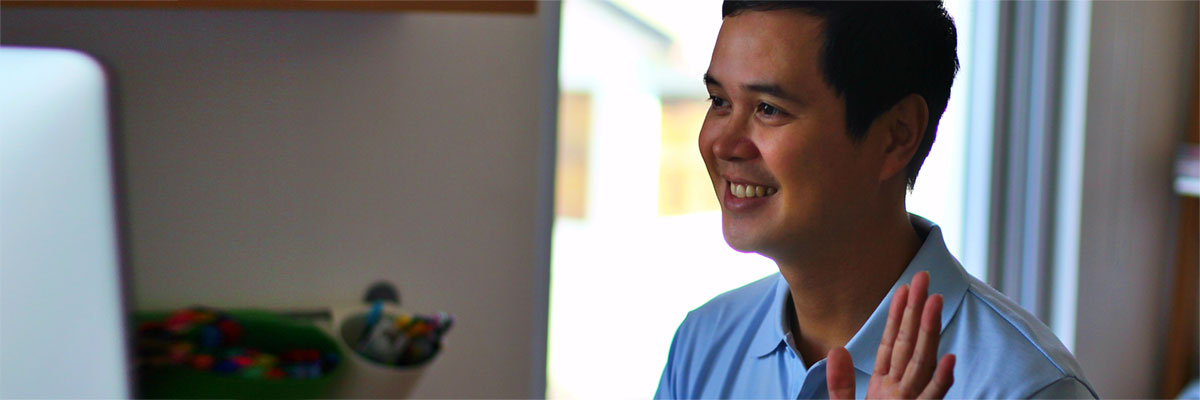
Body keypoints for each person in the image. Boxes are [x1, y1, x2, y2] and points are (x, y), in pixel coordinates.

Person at [654, 2, 1098, 398]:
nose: (722, 143)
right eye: (719, 101)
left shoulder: (1027, 388)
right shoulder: (703, 344)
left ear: (896, 135)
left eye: (768, 108)